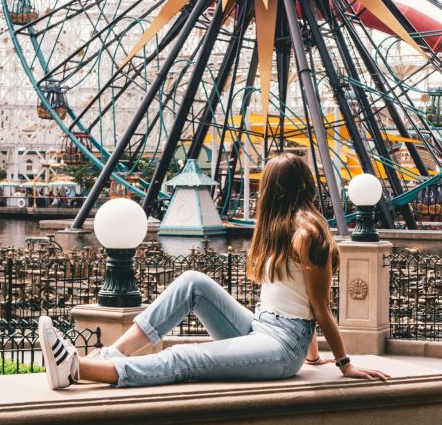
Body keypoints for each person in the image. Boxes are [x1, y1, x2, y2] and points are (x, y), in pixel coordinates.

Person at [38, 152, 391, 390]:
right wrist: (313, 357)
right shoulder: (278, 230)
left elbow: (318, 308)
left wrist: (344, 364)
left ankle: (76, 369)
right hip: (261, 326)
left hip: (281, 347)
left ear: (271, 190)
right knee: (193, 281)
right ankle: (115, 352)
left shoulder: (309, 234)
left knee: (184, 357)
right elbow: (294, 297)